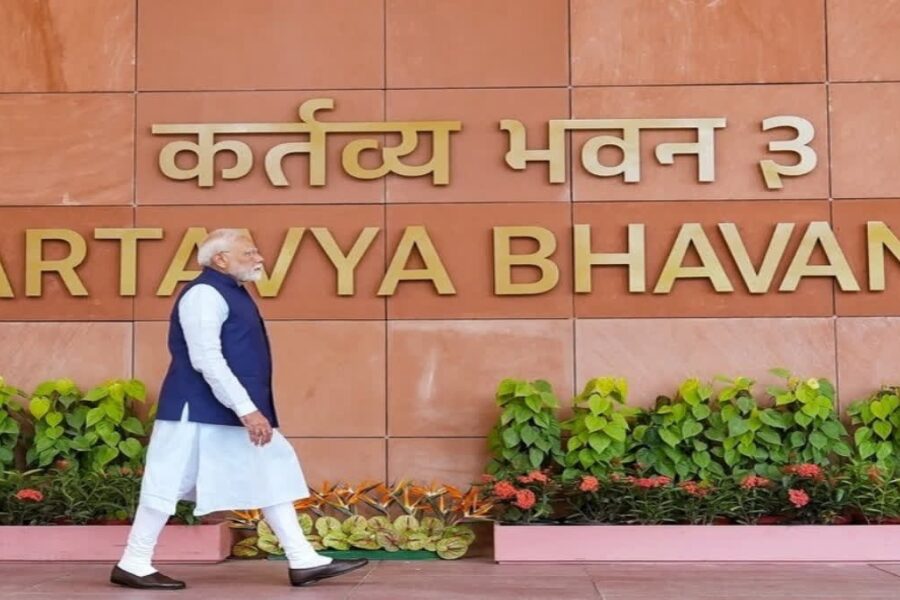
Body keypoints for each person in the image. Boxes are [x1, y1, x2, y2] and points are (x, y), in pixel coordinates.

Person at [110, 229, 366, 590]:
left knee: (272, 472)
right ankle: (134, 562)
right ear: (220, 259)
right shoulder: (203, 294)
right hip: (196, 412)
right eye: (249, 253)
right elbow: (206, 359)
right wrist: (247, 409)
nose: (259, 258)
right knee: (167, 484)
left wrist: (246, 409)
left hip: (224, 411)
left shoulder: (230, 292)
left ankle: (303, 560)